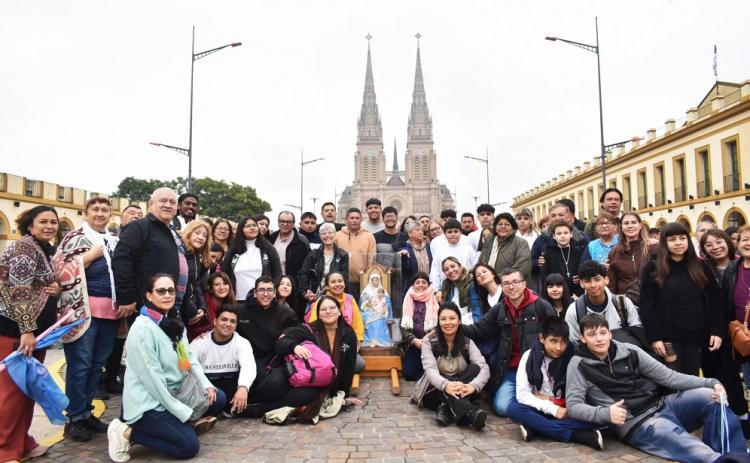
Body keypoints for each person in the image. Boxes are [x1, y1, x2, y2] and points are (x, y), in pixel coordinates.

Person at [566, 313, 746, 463]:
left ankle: (736, 454)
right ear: (582, 338)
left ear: (610, 334)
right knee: (685, 442)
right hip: (637, 423)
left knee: (709, 396)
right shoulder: (578, 365)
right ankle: (721, 460)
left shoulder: (628, 350)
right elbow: (573, 405)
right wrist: (605, 413)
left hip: (662, 405)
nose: (599, 339)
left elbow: (669, 377)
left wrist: (710, 382)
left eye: (603, 333)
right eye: (592, 334)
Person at [106, 274, 225, 462]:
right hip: (150, 402)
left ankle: (176, 427)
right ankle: (126, 432)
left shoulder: (173, 322)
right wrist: (182, 413)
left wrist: (206, 385)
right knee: (188, 446)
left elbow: (189, 358)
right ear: (149, 296)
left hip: (174, 392)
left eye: (171, 290)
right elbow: (154, 383)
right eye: (161, 291)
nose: (167, 295)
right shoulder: (143, 330)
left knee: (218, 398)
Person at [56, 198, 120, 441]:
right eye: (95, 209)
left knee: (96, 364)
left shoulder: (114, 240)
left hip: (109, 311)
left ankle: (85, 413)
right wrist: (88, 257)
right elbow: (60, 268)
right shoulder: (75, 237)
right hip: (83, 309)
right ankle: (73, 418)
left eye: (105, 210)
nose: (100, 214)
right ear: (85, 213)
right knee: (80, 364)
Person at [0, 206, 61, 462]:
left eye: (54, 222)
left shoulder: (42, 249)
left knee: (27, 390)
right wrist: (26, 330)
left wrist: (55, 288)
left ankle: (22, 442)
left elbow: (40, 283)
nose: (49, 226)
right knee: (11, 393)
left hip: (36, 332)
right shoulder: (24, 247)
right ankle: (4, 450)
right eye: (43, 221)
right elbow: (18, 290)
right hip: (17, 331)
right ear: (29, 224)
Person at [463, 269, 556, 416]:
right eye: (506, 283)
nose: (511, 287)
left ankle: (531, 410)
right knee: (501, 408)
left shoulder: (541, 306)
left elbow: (556, 336)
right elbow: (479, 330)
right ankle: (532, 409)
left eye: (515, 282)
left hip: (537, 368)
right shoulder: (499, 309)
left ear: (524, 283)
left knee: (548, 400)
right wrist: (453, 326)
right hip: (511, 368)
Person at [506, 317, 603, 449]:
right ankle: (575, 435)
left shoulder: (574, 357)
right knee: (514, 409)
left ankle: (536, 428)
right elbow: (523, 395)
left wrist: (563, 405)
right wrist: (553, 408)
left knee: (599, 419)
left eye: (563, 342)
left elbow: (583, 392)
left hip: (569, 409)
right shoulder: (529, 356)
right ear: (541, 338)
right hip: (542, 407)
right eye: (553, 341)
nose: (558, 347)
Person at [639, 222, 722, 375]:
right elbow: (646, 304)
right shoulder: (653, 268)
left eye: (682, 238)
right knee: (671, 382)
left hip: (696, 336)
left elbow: (714, 300)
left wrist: (716, 331)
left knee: (692, 379)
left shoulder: (700, 266)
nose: (678, 243)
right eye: (672, 239)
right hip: (667, 338)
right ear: (664, 242)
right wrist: (655, 337)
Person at [268, 295, 363, 421]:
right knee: (277, 385)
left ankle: (256, 409)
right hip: (303, 377)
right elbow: (281, 343)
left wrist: (343, 396)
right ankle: (255, 406)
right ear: (318, 313)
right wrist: (294, 347)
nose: (328, 311)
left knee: (307, 396)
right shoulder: (310, 330)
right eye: (323, 309)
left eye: (332, 308)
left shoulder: (348, 334)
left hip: (324, 386)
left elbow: (348, 368)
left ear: (339, 311)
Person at [700, 228, 750, 435]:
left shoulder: (736, 265)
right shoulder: (703, 269)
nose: (715, 247)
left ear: (729, 242)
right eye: (708, 244)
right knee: (729, 376)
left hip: (738, 330)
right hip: (726, 331)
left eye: (718, 241)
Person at [411, 303, 490, 430]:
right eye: (443, 319)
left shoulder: (467, 343)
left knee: (476, 369)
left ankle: (444, 408)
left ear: (459, 321)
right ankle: (471, 413)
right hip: (433, 391)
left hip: (460, 387)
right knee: (438, 378)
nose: (448, 323)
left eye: (452, 318)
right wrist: (446, 385)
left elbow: (484, 368)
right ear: (438, 321)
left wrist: (473, 386)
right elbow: (430, 370)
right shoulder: (429, 342)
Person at [113, 187, 181, 321]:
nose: (168, 205)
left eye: (172, 202)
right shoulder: (138, 227)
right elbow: (122, 261)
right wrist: (127, 298)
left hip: (164, 306)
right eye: (163, 201)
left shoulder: (169, 232)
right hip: (142, 308)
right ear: (151, 205)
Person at [235, 277, 299, 405]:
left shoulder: (285, 312)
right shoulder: (241, 311)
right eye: (262, 290)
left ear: (275, 293)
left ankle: (254, 404)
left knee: (278, 383)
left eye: (269, 290)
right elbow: (225, 326)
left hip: (275, 358)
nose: (265, 294)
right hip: (249, 358)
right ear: (255, 292)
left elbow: (297, 330)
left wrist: (287, 334)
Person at [190, 306, 255, 417]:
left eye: (232, 321)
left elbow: (249, 367)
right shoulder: (200, 343)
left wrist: (243, 387)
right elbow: (189, 366)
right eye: (224, 319)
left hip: (232, 392)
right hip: (208, 392)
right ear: (215, 321)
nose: (228, 324)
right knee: (218, 398)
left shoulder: (242, 343)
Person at [563, 261, 643, 345]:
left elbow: (637, 333)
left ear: (606, 280)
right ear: (581, 283)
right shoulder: (574, 310)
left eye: (597, 279)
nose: (593, 285)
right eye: (587, 281)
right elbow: (574, 343)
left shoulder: (623, 303)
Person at [306, 272, 365, 372]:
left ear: (344, 283)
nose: (337, 284)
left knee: (359, 365)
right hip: (323, 344)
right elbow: (313, 325)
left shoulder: (350, 299)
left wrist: (357, 342)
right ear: (328, 285)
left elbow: (357, 324)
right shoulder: (321, 300)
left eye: (340, 281)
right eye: (333, 282)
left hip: (344, 344)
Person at [222, 216, 281, 303]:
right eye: (248, 226)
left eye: (254, 225)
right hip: (238, 301)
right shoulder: (233, 250)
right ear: (241, 229)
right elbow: (225, 274)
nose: (252, 228)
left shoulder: (268, 248)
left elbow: (277, 273)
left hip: (263, 301)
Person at [531, 202, 589, 289]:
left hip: (577, 287)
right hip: (553, 287)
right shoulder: (542, 239)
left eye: (560, 215)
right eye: (553, 216)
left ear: (568, 216)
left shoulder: (581, 238)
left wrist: (582, 275)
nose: (557, 218)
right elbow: (531, 260)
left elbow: (589, 260)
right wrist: (538, 263)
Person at [298, 222, 349, 315]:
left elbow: (345, 277)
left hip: (335, 296)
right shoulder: (314, 254)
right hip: (314, 296)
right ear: (320, 237)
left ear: (335, 235)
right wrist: (305, 292)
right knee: (311, 323)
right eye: (324, 233)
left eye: (330, 232)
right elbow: (303, 273)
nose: (327, 235)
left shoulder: (343, 255)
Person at [723, 226, 750, 400]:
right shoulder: (733, 269)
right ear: (738, 243)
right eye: (745, 239)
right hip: (745, 339)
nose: (749, 243)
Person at [606, 212, 655, 305]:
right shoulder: (614, 253)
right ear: (621, 227)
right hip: (626, 305)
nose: (630, 226)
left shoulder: (652, 248)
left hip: (652, 301)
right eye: (626, 223)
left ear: (640, 225)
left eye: (633, 222)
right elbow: (612, 286)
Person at [400, 272, 440, 381]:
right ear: (413, 285)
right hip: (416, 343)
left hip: (433, 343)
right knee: (408, 374)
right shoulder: (408, 299)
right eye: (417, 282)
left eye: (424, 282)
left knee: (439, 371)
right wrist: (413, 340)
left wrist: (430, 337)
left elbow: (442, 321)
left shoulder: (436, 298)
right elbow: (402, 326)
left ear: (428, 284)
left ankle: (429, 375)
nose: (421, 285)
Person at [334, 208, 376, 300]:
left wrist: (367, 278)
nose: (354, 220)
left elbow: (371, 260)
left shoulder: (369, 236)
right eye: (352, 218)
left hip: (362, 283)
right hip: (341, 283)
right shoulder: (337, 236)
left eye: (357, 218)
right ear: (346, 220)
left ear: (361, 220)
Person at [478, 212, 532, 283]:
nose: (503, 227)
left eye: (507, 224)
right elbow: (480, 263)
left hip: (511, 286)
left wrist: (496, 279)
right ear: (495, 227)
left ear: (513, 228)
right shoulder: (489, 241)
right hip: (487, 286)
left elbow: (522, 268)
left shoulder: (521, 243)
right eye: (500, 224)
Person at [182, 220, 211, 338]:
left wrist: (202, 307)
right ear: (189, 233)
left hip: (190, 311)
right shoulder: (181, 252)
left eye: (204, 235)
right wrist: (192, 311)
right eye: (197, 233)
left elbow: (196, 283)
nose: (201, 237)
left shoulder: (195, 255)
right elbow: (183, 286)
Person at [429, 219, 477, 290]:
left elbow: (475, 267)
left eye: (456, 231)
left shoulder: (468, 249)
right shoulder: (439, 250)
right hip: (446, 289)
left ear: (460, 232)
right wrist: (437, 290)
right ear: (444, 234)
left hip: (467, 287)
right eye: (449, 232)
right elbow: (435, 272)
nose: (453, 234)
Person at [541, 221, 584, 297]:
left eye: (565, 233)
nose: (562, 236)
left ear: (571, 234)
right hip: (556, 293)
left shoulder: (578, 253)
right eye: (559, 233)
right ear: (554, 236)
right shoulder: (548, 254)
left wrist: (581, 277)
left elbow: (583, 271)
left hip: (577, 293)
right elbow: (545, 276)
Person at [191, 272, 236, 340]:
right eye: (217, 284)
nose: (222, 287)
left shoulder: (232, 304)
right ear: (210, 288)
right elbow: (192, 330)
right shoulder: (201, 305)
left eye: (225, 284)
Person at [269, 211, 311, 280]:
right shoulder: (272, 238)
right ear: (278, 222)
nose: (285, 224)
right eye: (282, 221)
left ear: (293, 223)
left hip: (293, 285)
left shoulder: (302, 241)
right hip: (273, 283)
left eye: (288, 222)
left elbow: (307, 266)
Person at [439, 257, 481, 325]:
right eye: (446, 269)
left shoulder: (471, 282)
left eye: (453, 266)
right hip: (453, 324)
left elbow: (476, 308)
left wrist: (477, 327)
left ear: (460, 266)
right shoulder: (447, 286)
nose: (450, 270)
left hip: (470, 324)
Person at [359, 273, 393, 347]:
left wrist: (384, 307)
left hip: (380, 311)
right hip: (368, 311)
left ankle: (379, 340)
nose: (375, 282)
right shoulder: (366, 291)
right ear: (371, 281)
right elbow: (362, 303)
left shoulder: (382, 290)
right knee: (368, 318)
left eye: (376, 280)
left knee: (379, 321)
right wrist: (368, 304)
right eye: (373, 280)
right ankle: (370, 340)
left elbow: (387, 302)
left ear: (379, 281)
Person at [401, 220, 432, 292]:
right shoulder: (405, 249)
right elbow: (406, 270)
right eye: (417, 230)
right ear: (409, 234)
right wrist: (404, 258)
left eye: (421, 230)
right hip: (412, 288)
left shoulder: (428, 247)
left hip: (428, 287)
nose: (421, 232)